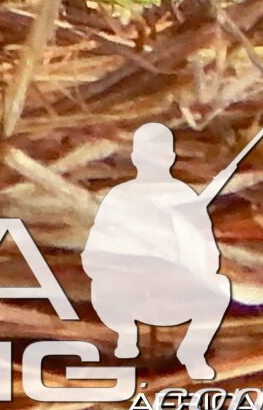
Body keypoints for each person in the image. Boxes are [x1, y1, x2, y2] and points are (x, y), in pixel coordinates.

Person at [83, 123, 237, 379]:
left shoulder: (183, 195)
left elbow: (209, 251)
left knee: (220, 286)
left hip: (175, 290)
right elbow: (94, 251)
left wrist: (189, 265)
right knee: (101, 289)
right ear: (135, 157)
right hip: (128, 290)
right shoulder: (120, 196)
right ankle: (126, 337)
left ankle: (193, 352)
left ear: (171, 157)